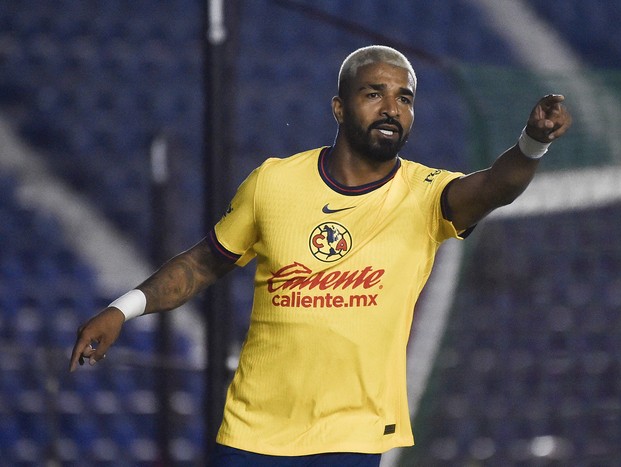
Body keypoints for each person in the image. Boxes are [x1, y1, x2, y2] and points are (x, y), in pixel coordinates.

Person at [70, 45, 572, 467]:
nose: (391, 108)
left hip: (352, 439)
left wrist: (532, 144)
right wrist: (123, 308)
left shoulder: (426, 195)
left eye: (405, 97)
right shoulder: (274, 181)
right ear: (338, 107)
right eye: (374, 93)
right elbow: (202, 263)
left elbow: (495, 188)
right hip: (252, 434)